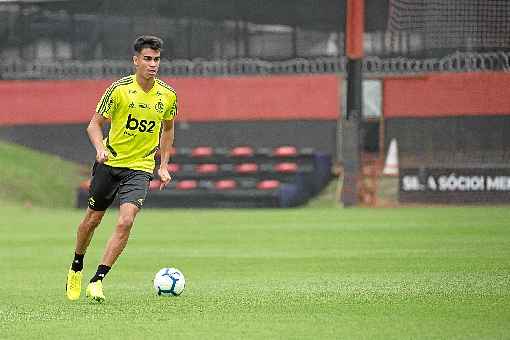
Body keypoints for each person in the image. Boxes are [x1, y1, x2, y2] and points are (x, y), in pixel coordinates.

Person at [65, 35, 177, 303]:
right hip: (110, 163)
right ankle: (77, 265)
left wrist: (164, 166)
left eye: (157, 59)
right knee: (92, 220)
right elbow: (93, 125)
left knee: (126, 220)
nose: (153, 64)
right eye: (147, 59)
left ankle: (98, 280)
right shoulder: (119, 90)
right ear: (135, 60)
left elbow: (168, 129)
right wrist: (99, 149)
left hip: (139, 168)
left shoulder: (168, 95)